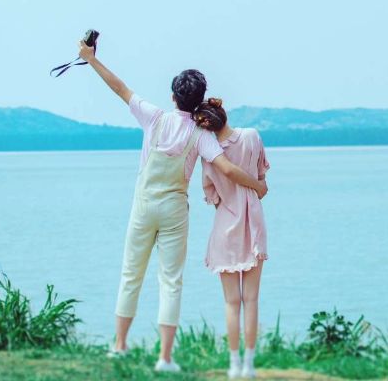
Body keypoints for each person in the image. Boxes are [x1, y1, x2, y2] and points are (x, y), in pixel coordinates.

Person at [76, 40, 268, 373]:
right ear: (199, 99)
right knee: (171, 281)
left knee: (130, 274)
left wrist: (91, 59)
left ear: (173, 96)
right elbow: (227, 169)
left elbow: (119, 87)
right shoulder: (201, 134)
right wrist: (257, 185)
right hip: (175, 210)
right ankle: (165, 358)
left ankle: (119, 345)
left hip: (144, 205)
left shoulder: (154, 118)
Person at [193, 98, 269, 379]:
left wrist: (229, 199)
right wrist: (253, 190)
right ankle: (249, 365)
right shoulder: (251, 137)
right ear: (223, 113)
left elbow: (212, 196)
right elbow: (262, 182)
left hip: (224, 228)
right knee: (252, 299)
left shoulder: (210, 156)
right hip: (253, 225)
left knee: (231, 302)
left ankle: (233, 364)